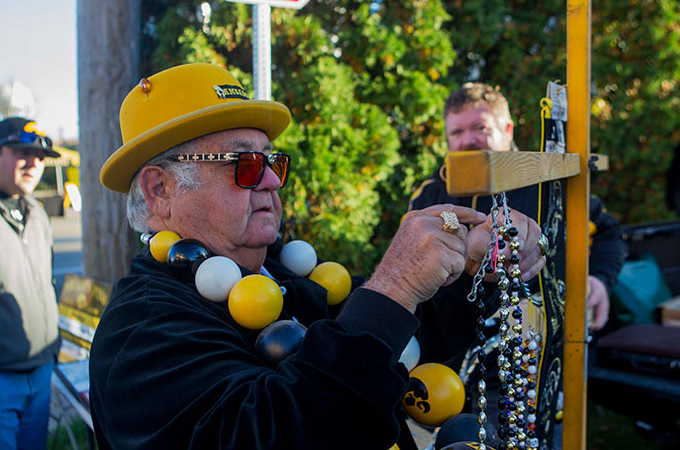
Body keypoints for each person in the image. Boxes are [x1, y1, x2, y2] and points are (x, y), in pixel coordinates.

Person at [88, 63, 546, 449]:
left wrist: (465, 265)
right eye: (244, 165)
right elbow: (281, 433)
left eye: (273, 161)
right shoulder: (143, 328)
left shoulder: (279, 273)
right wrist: (396, 285)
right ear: (160, 189)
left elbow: (389, 347)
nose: (271, 181)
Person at [409, 82, 625, 333]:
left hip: (535, 339)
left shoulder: (548, 182)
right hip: (450, 338)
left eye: (480, 127)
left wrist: (599, 279)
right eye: (457, 132)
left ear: (508, 129)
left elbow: (607, 234)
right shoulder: (429, 193)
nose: (468, 140)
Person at [0, 117, 62, 449]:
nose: (34, 163)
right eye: (24, 152)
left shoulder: (37, 213)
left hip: (42, 369)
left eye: (40, 157)